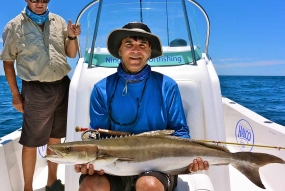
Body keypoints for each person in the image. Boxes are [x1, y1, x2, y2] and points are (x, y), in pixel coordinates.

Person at [74, 22, 209, 191]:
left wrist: (189, 162)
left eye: (142, 45)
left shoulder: (167, 86)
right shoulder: (101, 89)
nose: (136, 51)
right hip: (115, 165)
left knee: (148, 185)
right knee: (90, 185)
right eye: (129, 45)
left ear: (150, 51)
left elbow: (180, 133)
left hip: (157, 167)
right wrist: (89, 164)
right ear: (120, 51)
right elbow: (98, 135)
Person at [0, 0, 81, 191]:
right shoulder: (14, 26)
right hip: (35, 89)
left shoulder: (59, 21)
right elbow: (8, 62)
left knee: (56, 137)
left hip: (63, 86)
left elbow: (71, 54)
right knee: (30, 141)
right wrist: (15, 95)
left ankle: (52, 182)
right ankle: (28, 188)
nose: (40, 3)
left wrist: (71, 37)